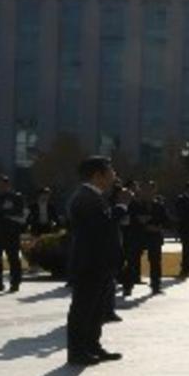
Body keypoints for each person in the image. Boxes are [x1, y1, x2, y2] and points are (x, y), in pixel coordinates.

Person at [66, 156, 121, 365]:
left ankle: (92, 346)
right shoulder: (84, 198)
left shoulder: (95, 196)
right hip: (89, 263)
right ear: (98, 175)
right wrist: (120, 208)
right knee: (83, 308)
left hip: (100, 263)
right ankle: (77, 351)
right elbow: (99, 228)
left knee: (96, 308)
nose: (114, 175)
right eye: (111, 171)